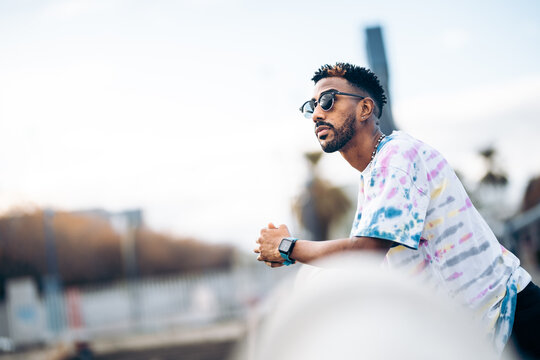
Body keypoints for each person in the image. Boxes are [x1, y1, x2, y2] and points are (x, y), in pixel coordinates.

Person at [254, 63, 540, 357]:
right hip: (483, 333)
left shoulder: (398, 155)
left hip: (514, 318)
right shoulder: (373, 175)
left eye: (327, 100)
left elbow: (367, 251)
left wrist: (289, 247)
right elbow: (367, 268)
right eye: (311, 106)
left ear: (365, 108)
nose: (316, 114)